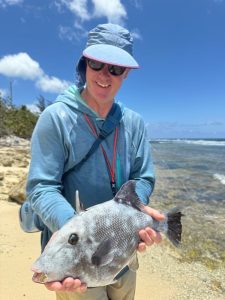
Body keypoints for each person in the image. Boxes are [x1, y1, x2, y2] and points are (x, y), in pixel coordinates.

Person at [26, 23, 165, 300]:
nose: (105, 75)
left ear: (126, 73)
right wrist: (76, 234)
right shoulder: (55, 119)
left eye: (115, 68)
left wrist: (133, 208)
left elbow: (143, 177)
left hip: (123, 252)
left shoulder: (134, 123)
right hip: (76, 261)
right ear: (84, 63)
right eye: (97, 64)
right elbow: (42, 187)